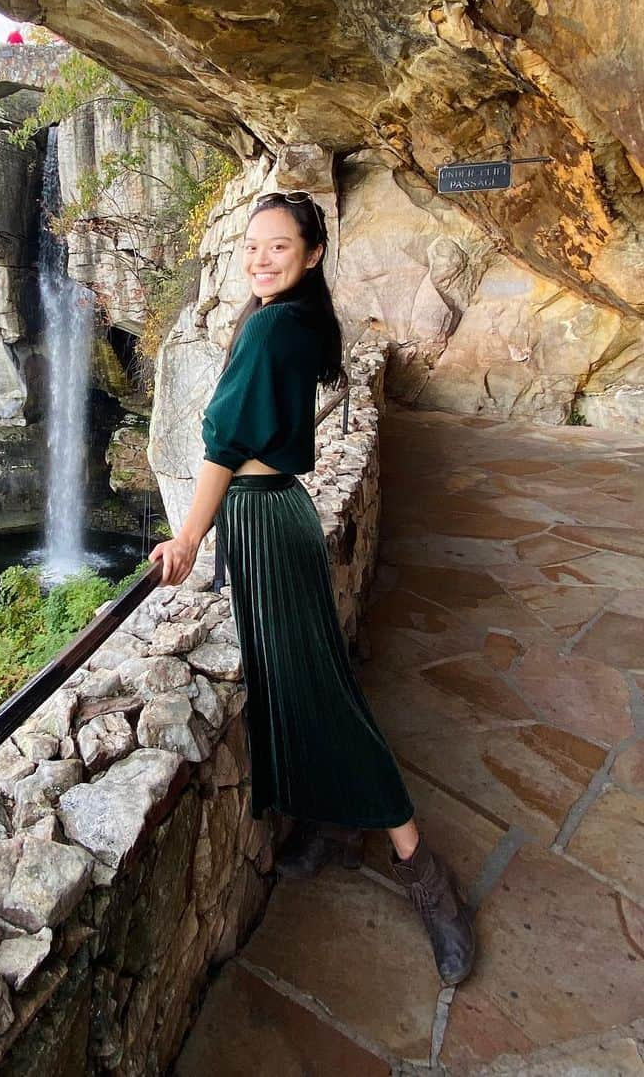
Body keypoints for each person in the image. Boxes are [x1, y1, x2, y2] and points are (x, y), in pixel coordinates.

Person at [149, 190, 475, 987]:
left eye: (278, 248)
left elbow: (224, 443)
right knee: (291, 684)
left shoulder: (271, 326)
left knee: (322, 692)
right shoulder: (297, 319)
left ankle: (425, 873)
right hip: (271, 517)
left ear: (313, 253)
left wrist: (188, 538)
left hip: (263, 519)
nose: (260, 259)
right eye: (252, 247)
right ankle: (330, 821)